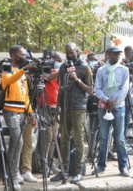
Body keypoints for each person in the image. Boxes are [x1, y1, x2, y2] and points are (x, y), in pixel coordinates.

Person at [51, 42, 93, 184]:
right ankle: (64, 170)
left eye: (71, 53)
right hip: (65, 108)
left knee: (78, 140)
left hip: (79, 108)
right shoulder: (63, 67)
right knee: (64, 140)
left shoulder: (85, 67)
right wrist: (57, 109)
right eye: (67, 53)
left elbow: (90, 90)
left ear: (77, 52)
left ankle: (78, 171)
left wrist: (77, 80)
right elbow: (61, 89)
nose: (69, 55)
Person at [1, 45, 36, 190]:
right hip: (11, 111)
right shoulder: (6, 67)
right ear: (15, 56)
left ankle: (12, 174)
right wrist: (24, 69)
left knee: (17, 143)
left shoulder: (21, 73)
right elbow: (6, 82)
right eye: (22, 54)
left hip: (22, 112)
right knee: (18, 142)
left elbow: (25, 95)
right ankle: (13, 176)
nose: (25, 56)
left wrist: (31, 112)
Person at [94, 46, 130, 177]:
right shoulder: (101, 70)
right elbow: (97, 89)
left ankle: (123, 167)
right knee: (104, 137)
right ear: (108, 55)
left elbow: (124, 88)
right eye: (114, 54)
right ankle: (101, 166)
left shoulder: (124, 69)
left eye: (118, 54)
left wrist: (113, 101)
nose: (117, 56)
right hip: (103, 107)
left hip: (118, 107)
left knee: (119, 138)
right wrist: (107, 100)